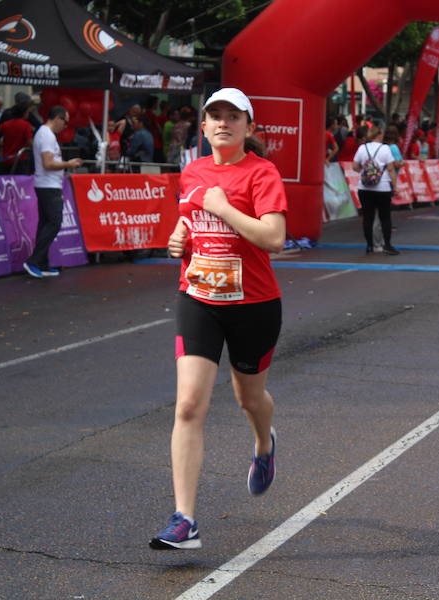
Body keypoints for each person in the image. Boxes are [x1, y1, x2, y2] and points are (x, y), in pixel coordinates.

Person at [149, 88, 287, 550]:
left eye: (234, 116)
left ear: (249, 127)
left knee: (250, 398)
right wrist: (178, 237)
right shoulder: (192, 171)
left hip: (254, 306)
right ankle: (184, 519)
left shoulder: (262, 174)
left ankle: (265, 444)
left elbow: (274, 238)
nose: (223, 123)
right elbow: (189, 220)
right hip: (200, 299)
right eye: (215, 116)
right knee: (188, 404)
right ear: (203, 127)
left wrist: (225, 207)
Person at [23, 106, 83, 279]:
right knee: (54, 223)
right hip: (48, 185)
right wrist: (69, 164)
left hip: (48, 184)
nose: (65, 126)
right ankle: (34, 261)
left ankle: (41, 262)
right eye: (65, 121)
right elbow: (48, 163)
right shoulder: (47, 135)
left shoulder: (45, 134)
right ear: (57, 118)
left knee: (46, 223)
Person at [353, 121, 399, 255]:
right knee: (385, 217)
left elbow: (354, 166)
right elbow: (391, 169)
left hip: (365, 187)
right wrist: (394, 186)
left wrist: (365, 171)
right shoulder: (385, 149)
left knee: (368, 217)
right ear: (379, 135)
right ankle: (388, 245)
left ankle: (369, 245)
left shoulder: (362, 148)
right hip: (383, 187)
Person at [0, 104, 34, 174]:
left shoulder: (7, 124)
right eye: (27, 112)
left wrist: (0, 143)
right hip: (20, 159)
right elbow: (29, 142)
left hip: (6, 159)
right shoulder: (26, 125)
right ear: (24, 113)